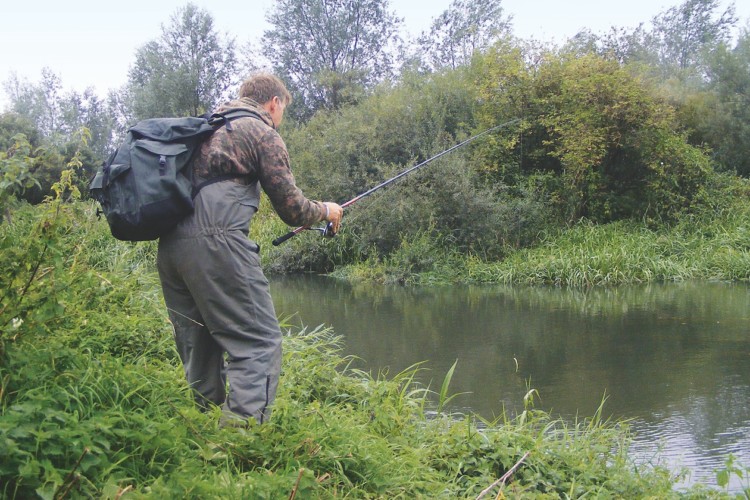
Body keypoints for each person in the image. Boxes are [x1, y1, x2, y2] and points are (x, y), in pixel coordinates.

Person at [157, 73, 343, 425]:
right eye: (283, 109)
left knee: (199, 344)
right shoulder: (260, 131)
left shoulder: (205, 129)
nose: (281, 116)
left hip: (170, 247)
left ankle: (204, 429)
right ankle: (240, 439)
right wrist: (326, 210)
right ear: (274, 103)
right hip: (216, 240)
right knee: (259, 343)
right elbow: (292, 209)